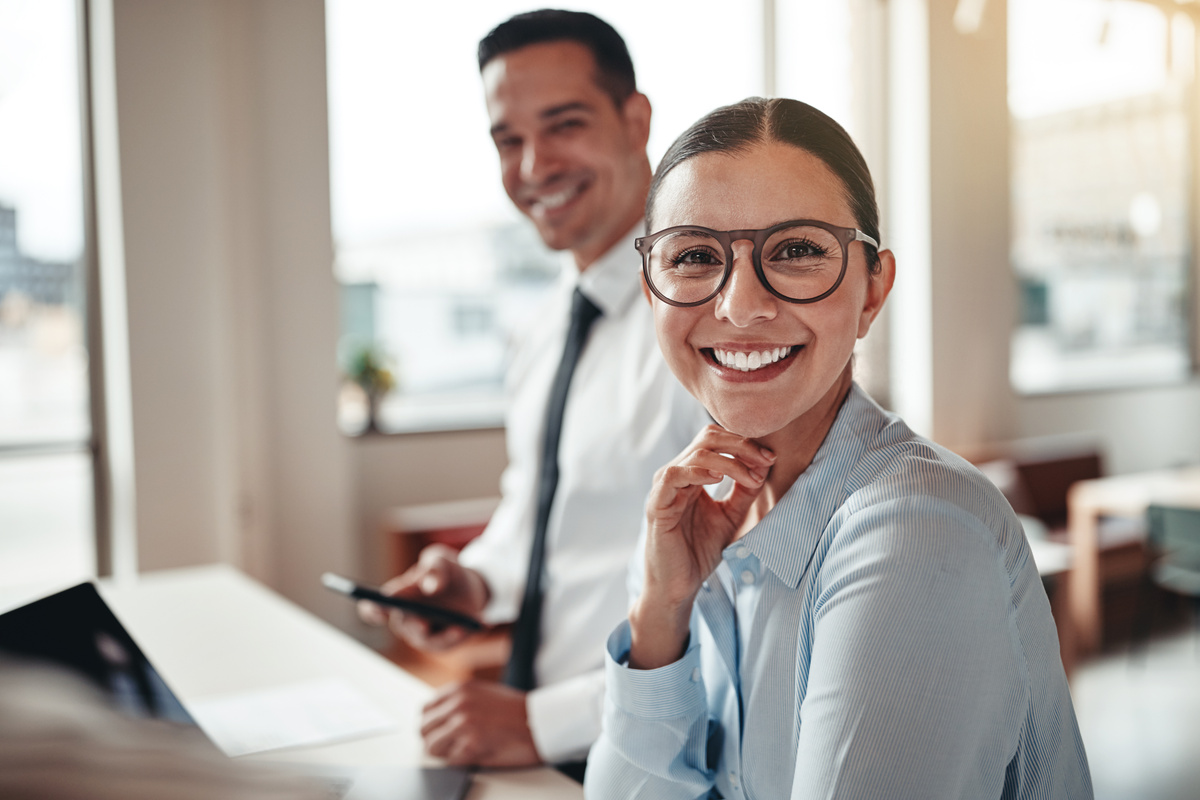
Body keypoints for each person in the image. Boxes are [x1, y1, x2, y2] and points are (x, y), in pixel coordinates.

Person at [585, 97, 1093, 799]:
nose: (739, 306)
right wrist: (659, 613)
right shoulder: (717, 518)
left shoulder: (917, 530)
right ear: (651, 292)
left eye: (795, 250)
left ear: (873, 289)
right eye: (696, 256)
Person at [358, 9, 708, 778]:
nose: (533, 166)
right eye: (508, 140)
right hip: (529, 747)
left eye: (564, 125)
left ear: (635, 119)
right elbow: (539, 515)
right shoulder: (543, 328)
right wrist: (474, 584)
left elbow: (741, 603)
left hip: (652, 754)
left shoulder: (711, 325)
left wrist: (542, 722)